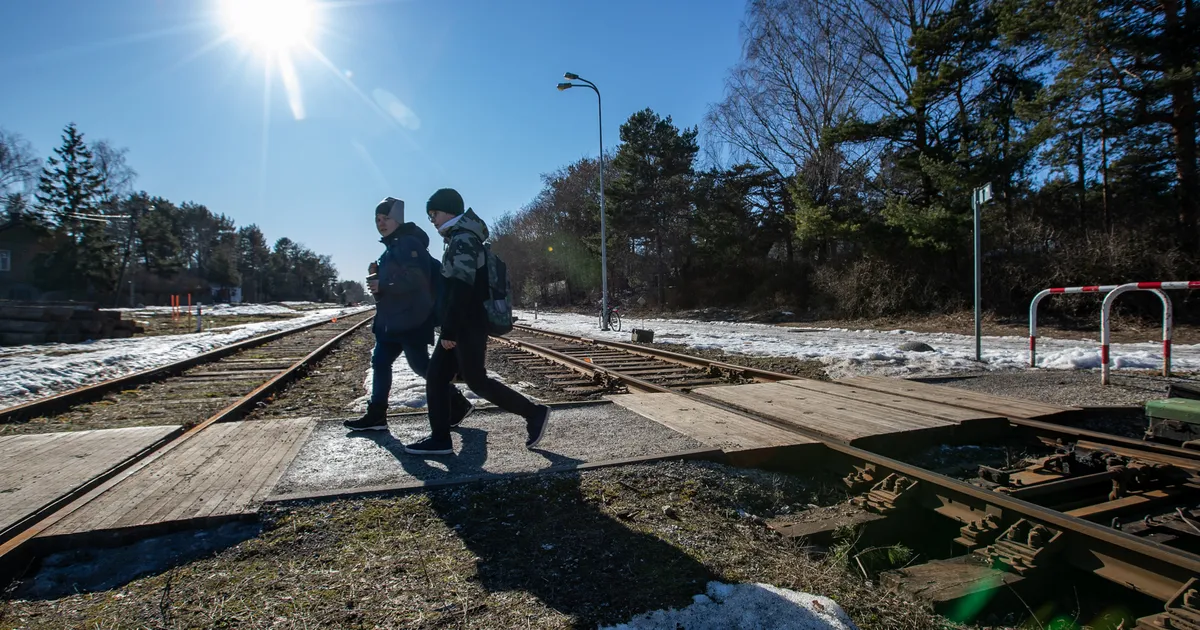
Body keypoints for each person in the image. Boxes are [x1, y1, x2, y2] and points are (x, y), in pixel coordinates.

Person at [405, 188, 550, 455]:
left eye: (433, 213)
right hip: (464, 322)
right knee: (437, 377)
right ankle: (440, 439)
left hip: (466, 323)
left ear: (448, 211)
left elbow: (462, 287)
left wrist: (450, 329)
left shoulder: (462, 239)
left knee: (476, 381)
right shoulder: (459, 237)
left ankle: (534, 413)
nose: (432, 219)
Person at [345, 196, 474, 432]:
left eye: (386, 218)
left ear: (397, 220)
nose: (381, 223)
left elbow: (416, 279)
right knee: (381, 362)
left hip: (411, 320)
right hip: (393, 322)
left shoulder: (408, 244)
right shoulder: (393, 246)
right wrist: (379, 280)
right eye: (378, 219)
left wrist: (383, 282)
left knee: (421, 366)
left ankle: (457, 403)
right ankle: (376, 415)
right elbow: (393, 287)